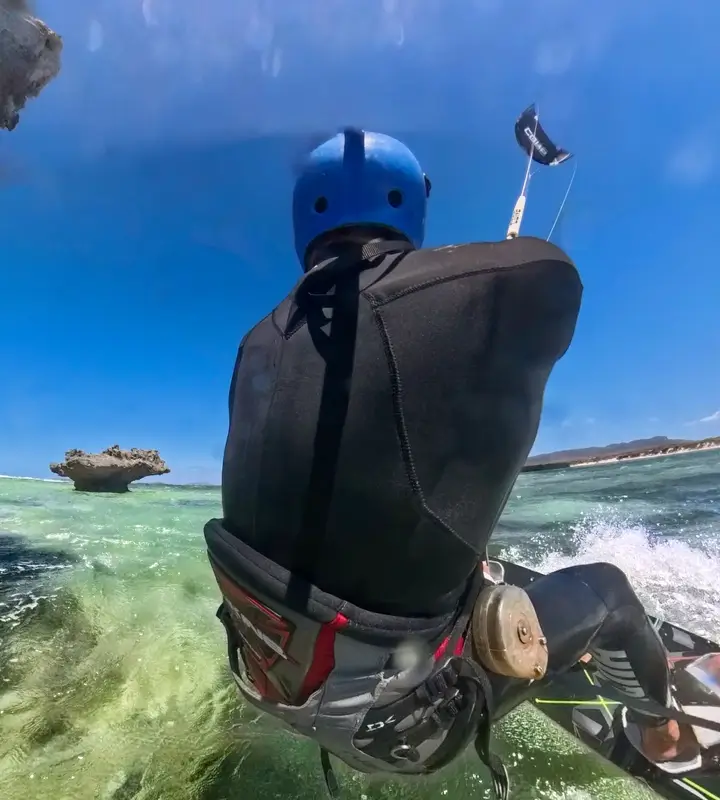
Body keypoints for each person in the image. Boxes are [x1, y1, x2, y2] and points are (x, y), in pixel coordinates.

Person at [203, 129, 698, 797]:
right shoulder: (466, 289)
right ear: (408, 206)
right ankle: (660, 729)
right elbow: (554, 275)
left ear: (306, 224)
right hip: (400, 727)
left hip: (269, 677)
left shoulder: (253, 346)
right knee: (608, 588)